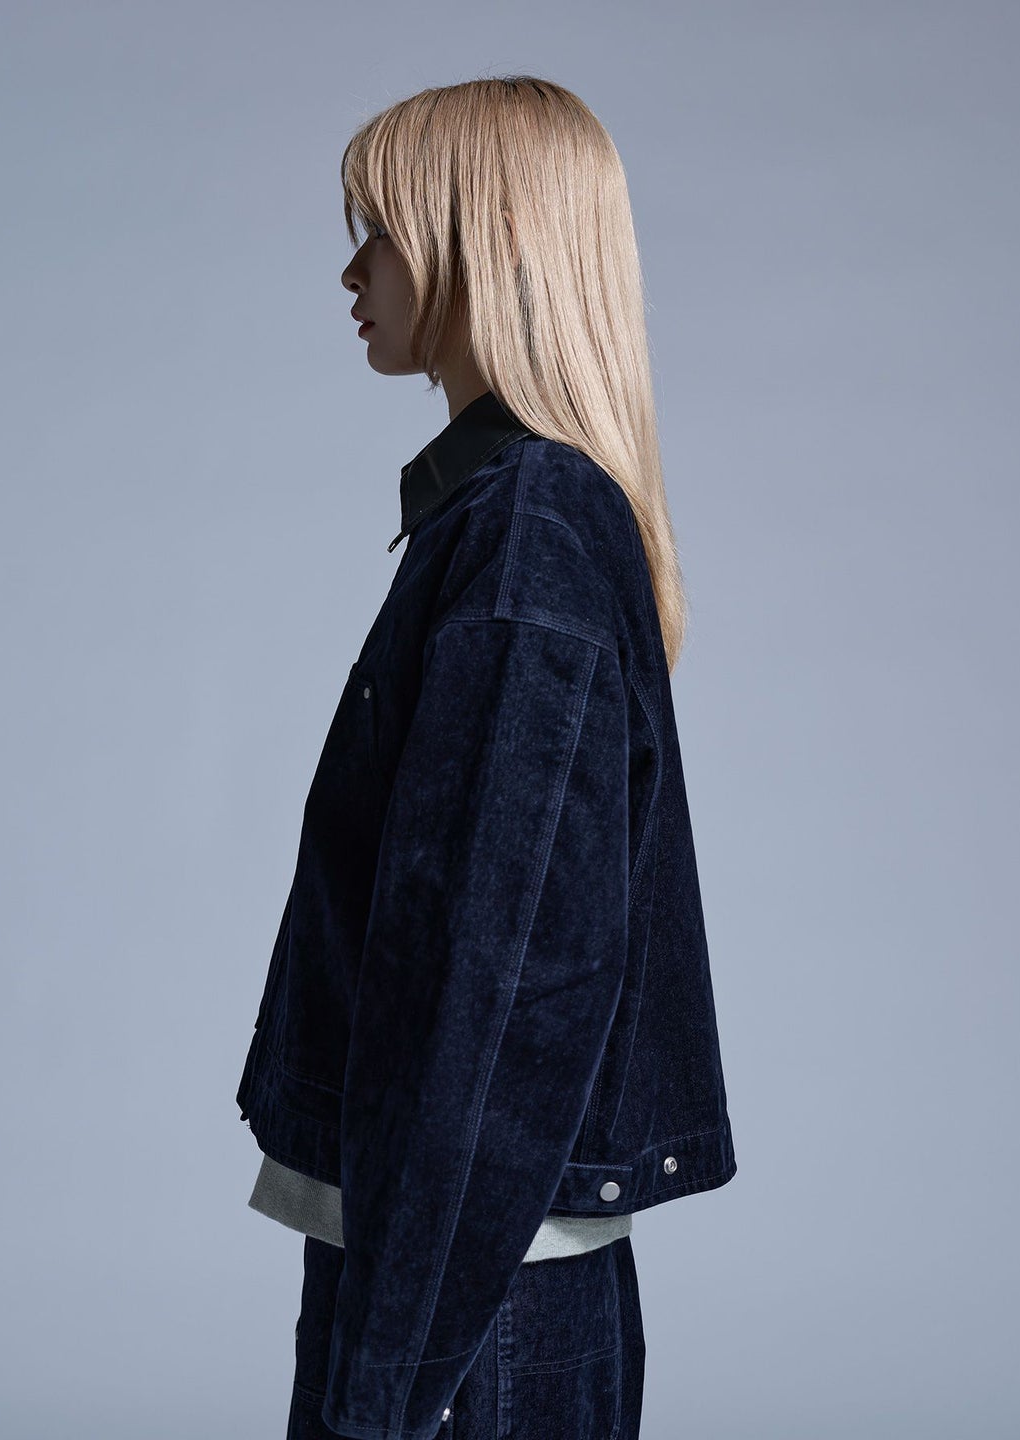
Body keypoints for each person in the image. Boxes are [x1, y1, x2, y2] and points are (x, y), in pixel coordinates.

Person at [236, 74, 737, 1440]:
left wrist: (388, 1379)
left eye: (381, 231)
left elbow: (500, 988)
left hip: (469, 1296)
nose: (351, 272)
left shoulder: (527, 538)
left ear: (485, 240)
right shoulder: (514, 522)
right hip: (469, 1275)